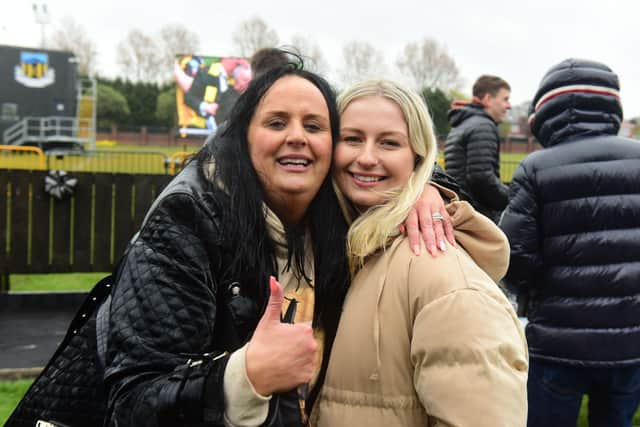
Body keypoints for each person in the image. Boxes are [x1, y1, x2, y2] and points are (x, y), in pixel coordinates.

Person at [103, 59, 458, 426]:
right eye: (276, 123)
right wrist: (243, 376)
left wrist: (425, 191)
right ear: (242, 138)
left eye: (314, 126)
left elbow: (396, 158)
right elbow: (132, 400)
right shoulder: (188, 222)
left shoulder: (341, 217)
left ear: (332, 146)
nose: (297, 137)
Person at [312, 79, 528, 426]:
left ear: (418, 157)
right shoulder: (344, 246)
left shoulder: (445, 279)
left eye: (389, 143)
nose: (367, 158)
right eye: (352, 139)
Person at [500, 58, 640, 427]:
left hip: (557, 340)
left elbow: (515, 257)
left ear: (547, 112)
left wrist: (529, 291)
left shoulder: (536, 167)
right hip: (631, 338)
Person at [444, 74, 511, 223]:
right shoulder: (483, 126)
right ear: (487, 99)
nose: (509, 106)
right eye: (505, 99)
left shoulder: (461, 125)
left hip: (462, 211)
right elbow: (481, 178)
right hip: (477, 215)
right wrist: (511, 198)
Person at [174, 56, 251, 132]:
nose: (239, 61)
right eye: (237, 58)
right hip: (202, 129)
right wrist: (205, 106)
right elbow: (189, 98)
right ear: (225, 58)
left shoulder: (234, 80)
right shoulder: (206, 72)